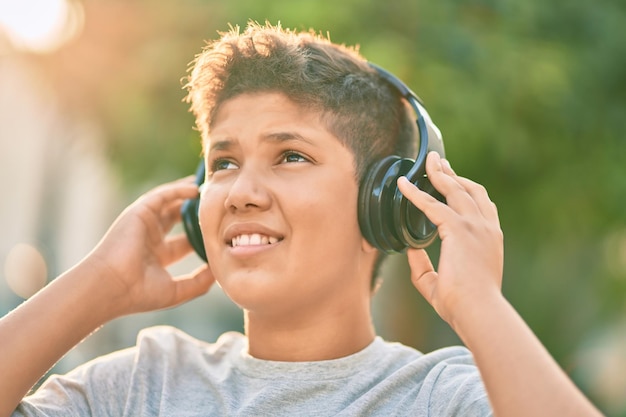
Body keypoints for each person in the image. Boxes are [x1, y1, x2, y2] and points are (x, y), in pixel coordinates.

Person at [1, 21, 602, 417]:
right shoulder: (141, 386)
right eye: (224, 162)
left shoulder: (442, 397)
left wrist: (482, 306)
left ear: (386, 201)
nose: (241, 192)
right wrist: (99, 283)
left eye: (290, 156)